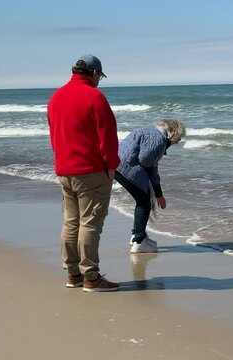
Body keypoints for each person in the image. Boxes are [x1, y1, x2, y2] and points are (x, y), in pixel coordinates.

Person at [47, 54, 120, 292]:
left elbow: (54, 133)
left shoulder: (56, 97)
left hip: (65, 170)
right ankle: (92, 277)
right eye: (100, 76)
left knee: (71, 223)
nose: (100, 81)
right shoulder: (95, 97)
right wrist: (111, 165)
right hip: (91, 172)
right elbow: (107, 138)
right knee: (90, 224)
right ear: (95, 73)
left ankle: (73, 274)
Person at [114, 119, 185, 253]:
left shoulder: (149, 131)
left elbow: (150, 165)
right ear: (173, 133)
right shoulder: (159, 140)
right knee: (144, 203)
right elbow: (145, 161)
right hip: (127, 169)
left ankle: (137, 235)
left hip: (117, 166)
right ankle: (139, 242)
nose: (177, 142)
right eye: (179, 138)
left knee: (142, 200)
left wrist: (157, 193)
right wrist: (158, 194)